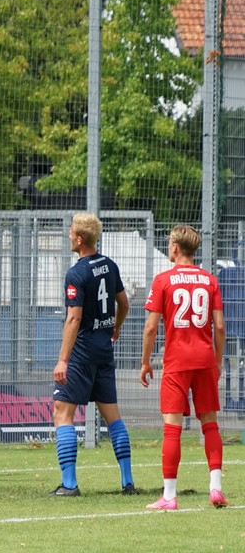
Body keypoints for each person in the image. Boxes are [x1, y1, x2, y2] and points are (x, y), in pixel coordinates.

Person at [140, 224, 228, 510]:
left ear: (176, 248)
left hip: (177, 362)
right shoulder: (209, 280)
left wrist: (144, 362)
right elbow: (220, 327)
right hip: (204, 361)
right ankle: (215, 489)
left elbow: (151, 328)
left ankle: (169, 496)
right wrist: (216, 362)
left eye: (169, 244)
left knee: (172, 429)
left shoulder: (163, 280)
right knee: (210, 423)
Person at [50, 212, 135, 496]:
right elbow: (124, 303)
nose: (68, 235)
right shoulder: (109, 265)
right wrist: (116, 326)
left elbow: (74, 318)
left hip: (82, 353)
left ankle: (70, 484)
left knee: (62, 412)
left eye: (71, 231)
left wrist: (63, 359)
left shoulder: (77, 272)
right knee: (113, 416)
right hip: (104, 351)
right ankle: (127, 482)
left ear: (79, 238)